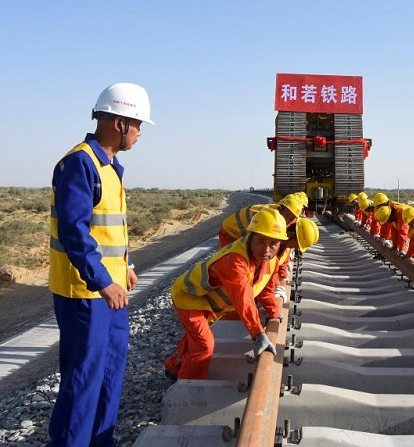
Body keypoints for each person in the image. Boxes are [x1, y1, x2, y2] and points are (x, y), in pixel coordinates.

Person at [48, 82, 154, 446]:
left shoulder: (112, 167)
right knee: (82, 382)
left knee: (109, 374)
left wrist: (124, 267)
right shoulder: (80, 163)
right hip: (84, 294)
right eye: (138, 124)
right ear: (119, 123)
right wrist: (101, 280)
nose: (140, 133)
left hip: (111, 292)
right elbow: (74, 231)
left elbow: (108, 229)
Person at [164, 208, 288, 380]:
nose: (266, 249)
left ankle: (173, 366)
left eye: (273, 244)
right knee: (204, 345)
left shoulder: (269, 261)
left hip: (209, 301)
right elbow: (243, 297)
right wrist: (258, 334)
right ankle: (187, 385)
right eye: (261, 241)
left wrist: (275, 313)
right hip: (189, 297)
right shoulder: (235, 260)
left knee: (197, 334)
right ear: (250, 237)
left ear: (280, 244)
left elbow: (265, 289)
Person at [218, 193, 303, 246]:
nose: (287, 219)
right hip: (230, 231)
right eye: (287, 215)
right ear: (281, 208)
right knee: (233, 258)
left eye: (291, 218)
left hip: (241, 230)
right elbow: (256, 242)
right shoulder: (267, 215)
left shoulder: (279, 215)